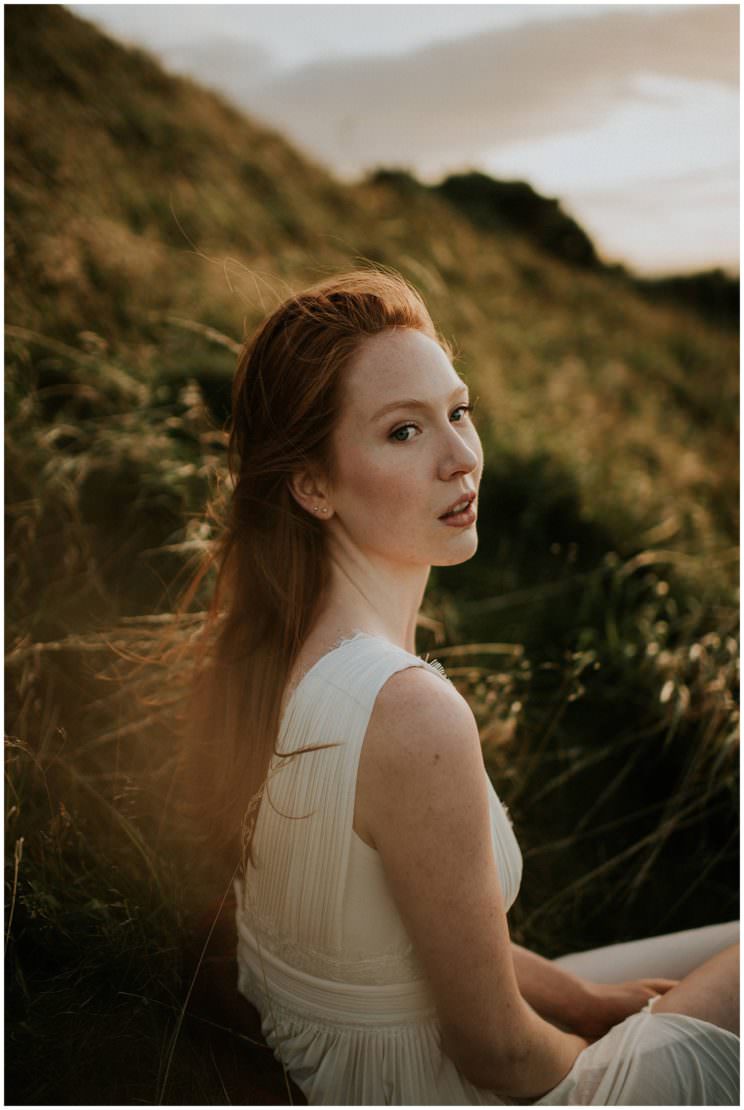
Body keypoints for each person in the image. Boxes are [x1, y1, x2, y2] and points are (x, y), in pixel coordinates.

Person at [186, 268, 739, 1104]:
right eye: (404, 432)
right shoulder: (409, 711)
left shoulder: (285, 653)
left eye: (458, 411)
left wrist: (587, 1004)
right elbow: (501, 1059)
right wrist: (605, 1054)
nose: (462, 458)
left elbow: (413, 935)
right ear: (312, 484)